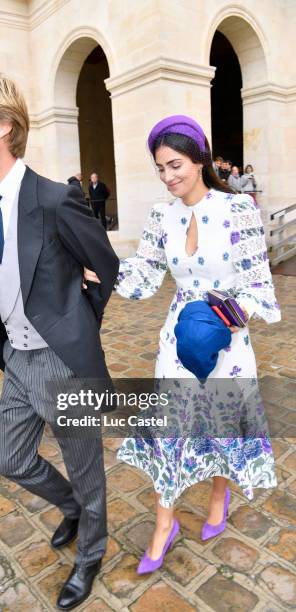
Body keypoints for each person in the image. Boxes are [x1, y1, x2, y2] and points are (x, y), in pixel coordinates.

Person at [0, 70, 119, 610]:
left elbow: (105, 265)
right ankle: (71, 509)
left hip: (64, 360)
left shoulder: (55, 198)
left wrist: (76, 321)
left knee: (88, 472)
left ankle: (91, 552)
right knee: (15, 461)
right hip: (16, 358)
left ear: (1, 127)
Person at [85, 115, 280, 573]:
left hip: (227, 340)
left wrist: (223, 321)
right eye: (160, 168)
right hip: (176, 340)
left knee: (220, 425)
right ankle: (163, 523)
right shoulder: (161, 216)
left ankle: (219, 495)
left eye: (176, 165)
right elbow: (146, 275)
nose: (169, 177)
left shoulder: (239, 210)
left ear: (199, 160)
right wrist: (101, 272)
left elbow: (258, 285)